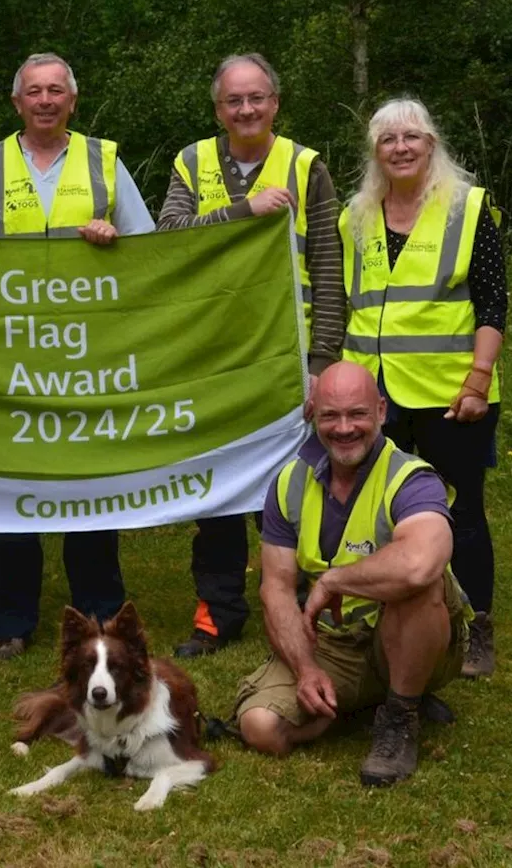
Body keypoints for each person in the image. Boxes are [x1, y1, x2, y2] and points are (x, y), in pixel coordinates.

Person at [0, 51, 156, 659]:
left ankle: (98, 616)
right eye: (33, 92)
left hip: (88, 353)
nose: (45, 101)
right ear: (17, 103)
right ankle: (10, 623)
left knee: (90, 484)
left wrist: (111, 240)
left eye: (55, 91)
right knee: (14, 487)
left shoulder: (105, 162)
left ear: (73, 99)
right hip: (11, 353)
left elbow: (147, 251)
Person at [157, 53, 345, 659]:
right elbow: (169, 238)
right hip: (213, 358)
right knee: (216, 491)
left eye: (256, 98)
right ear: (218, 110)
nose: (246, 110)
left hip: (286, 360)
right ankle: (217, 613)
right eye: (234, 101)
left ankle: (311, 608)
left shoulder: (307, 165)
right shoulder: (192, 161)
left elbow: (327, 263)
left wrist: (322, 363)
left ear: (275, 104)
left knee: (299, 490)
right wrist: (245, 210)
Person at [235, 362, 471, 787]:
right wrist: (305, 669)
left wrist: (333, 580)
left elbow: (420, 563)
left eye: (357, 414)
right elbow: (276, 588)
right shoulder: (288, 483)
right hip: (334, 642)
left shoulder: (411, 478)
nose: (344, 428)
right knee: (259, 727)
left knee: (418, 583)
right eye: (330, 415)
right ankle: (360, 702)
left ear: (381, 411)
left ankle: (400, 716)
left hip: (413, 632)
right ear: (312, 413)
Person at [339, 97, 507, 677]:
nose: (401, 148)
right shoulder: (354, 216)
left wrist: (479, 380)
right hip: (375, 399)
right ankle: (397, 617)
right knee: (386, 510)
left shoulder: (466, 208)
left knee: (460, 509)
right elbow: (342, 303)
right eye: (388, 140)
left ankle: (477, 622)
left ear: (431, 145)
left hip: (450, 392)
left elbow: (493, 303)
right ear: (375, 152)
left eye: (412, 137)